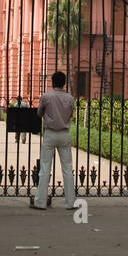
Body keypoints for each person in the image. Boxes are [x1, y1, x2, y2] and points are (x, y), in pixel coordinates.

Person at [31, 71, 76, 210]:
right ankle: (70, 202)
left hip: (50, 133)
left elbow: (39, 113)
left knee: (44, 168)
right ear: (64, 83)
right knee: (68, 169)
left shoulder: (46, 96)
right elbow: (71, 114)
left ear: (52, 82)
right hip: (64, 133)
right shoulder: (70, 98)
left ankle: (40, 202)